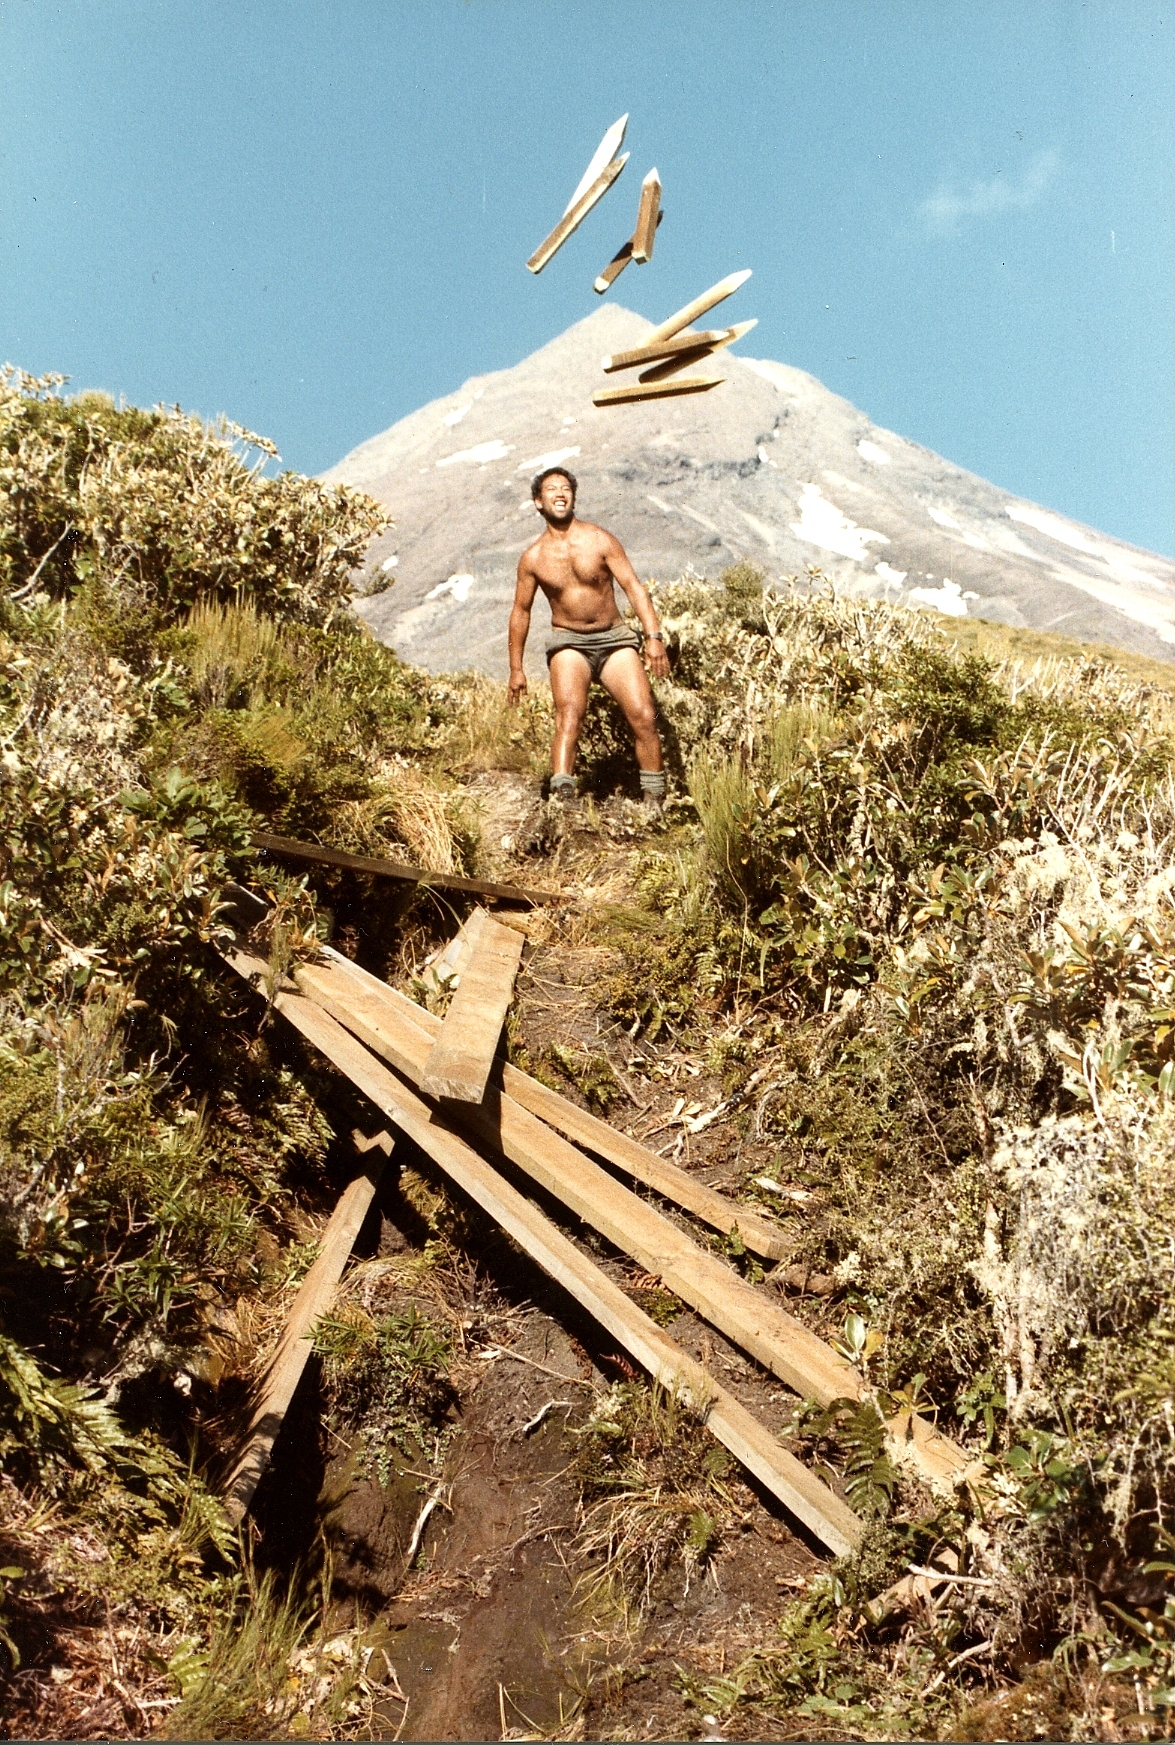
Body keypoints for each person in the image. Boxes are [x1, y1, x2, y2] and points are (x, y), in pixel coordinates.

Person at [507, 466, 669, 807]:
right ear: (538, 502)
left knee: (643, 714)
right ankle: (563, 798)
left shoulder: (599, 539)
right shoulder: (533, 558)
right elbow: (521, 611)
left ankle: (654, 799)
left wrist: (653, 636)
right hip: (569, 642)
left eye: (565, 488)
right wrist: (516, 669)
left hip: (614, 639)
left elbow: (633, 588)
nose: (560, 493)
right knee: (569, 715)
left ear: (574, 497)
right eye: (551, 489)